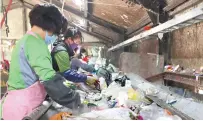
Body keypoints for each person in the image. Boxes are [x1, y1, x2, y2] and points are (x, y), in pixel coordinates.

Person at [0, 4, 87, 120]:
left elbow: (46, 74)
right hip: (21, 108)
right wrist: (75, 101)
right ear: (51, 27)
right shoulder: (35, 43)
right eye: (56, 33)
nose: (56, 37)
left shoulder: (28, 40)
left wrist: (66, 84)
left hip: (22, 102)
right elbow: (49, 79)